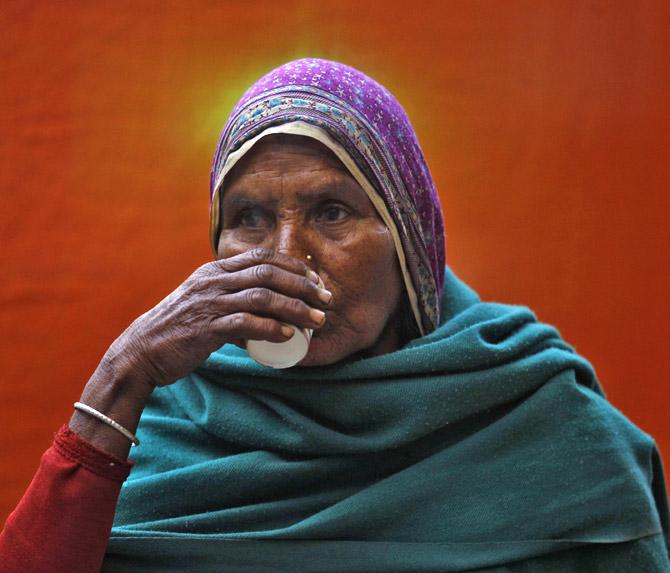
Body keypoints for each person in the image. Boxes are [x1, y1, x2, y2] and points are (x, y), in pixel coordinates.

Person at [1, 58, 668, 572]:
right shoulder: (167, 419)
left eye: (332, 212)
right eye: (250, 219)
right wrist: (123, 372)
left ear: (410, 242)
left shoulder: (535, 414)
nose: (287, 258)